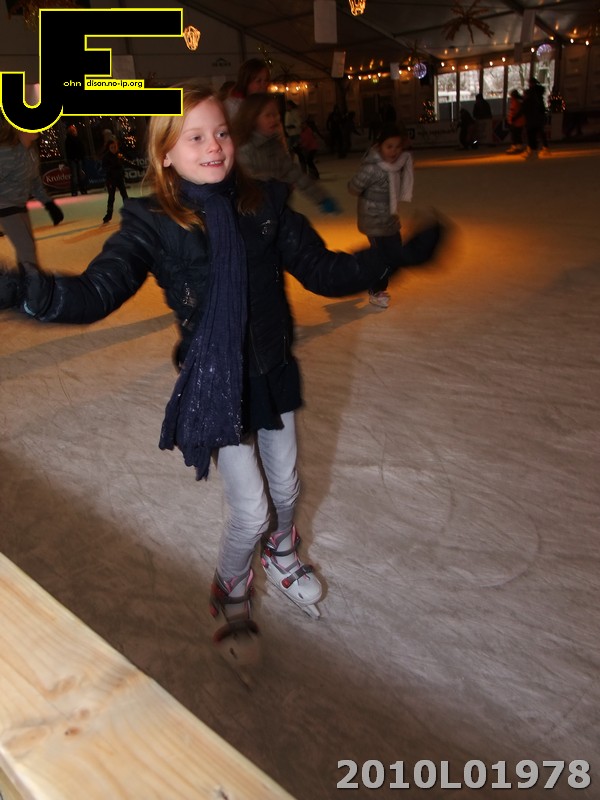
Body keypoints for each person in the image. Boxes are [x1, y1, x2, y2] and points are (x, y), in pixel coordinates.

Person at [0, 82, 443, 675]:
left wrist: (392, 257)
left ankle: (283, 554)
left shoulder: (265, 205)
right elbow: (94, 293)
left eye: (220, 133)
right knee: (251, 511)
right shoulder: (152, 224)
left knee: (287, 489)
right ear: (165, 154)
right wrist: (21, 290)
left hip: (273, 372)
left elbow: (323, 270)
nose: (213, 147)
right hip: (217, 386)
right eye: (195, 137)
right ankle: (231, 590)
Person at [233, 92, 340, 214]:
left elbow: (294, 173)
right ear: (252, 118)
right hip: (255, 213)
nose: (275, 119)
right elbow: (249, 184)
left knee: (301, 226)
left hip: (278, 208)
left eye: (276, 114)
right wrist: (280, 185)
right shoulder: (244, 150)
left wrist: (321, 198)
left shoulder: (274, 145)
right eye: (268, 115)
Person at [348, 123, 414, 308]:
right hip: (373, 220)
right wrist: (366, 189)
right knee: (381, 257)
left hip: (390, 218)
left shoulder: (398, 164)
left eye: (397, 146)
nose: (394, 151)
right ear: (379, 146)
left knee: (395, 254)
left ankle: (364, 270)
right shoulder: (372, 167)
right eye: (389, 146)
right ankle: (376, 290)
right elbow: (353, 187)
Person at [0, 119, 63, 266]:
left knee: (27, 248)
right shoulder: (6, 152)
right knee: (26, 248)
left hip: (20, 205)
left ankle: (25, 277)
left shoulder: (31, 151)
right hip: (5, 206)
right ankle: (31, 279)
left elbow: (35, 182)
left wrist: (49, 204)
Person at [101, 139, 132, 224]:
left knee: (125, 196)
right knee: (111, 197)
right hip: (111, 180)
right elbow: (104, 168)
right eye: (112, 147)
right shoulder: (106, 157)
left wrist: (138, 168)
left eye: (115, 147)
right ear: (109, 148)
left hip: (119, 179)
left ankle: (130, 213)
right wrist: (112, 168)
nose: (114, 149)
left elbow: (127, 163)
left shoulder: (119, 155)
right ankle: (109, 215)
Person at [521, 78, 550, 158]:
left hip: (532, 118)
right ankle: (540, 148)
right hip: (538, 117)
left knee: (532, 134)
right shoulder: (538, 94)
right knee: (539, 133)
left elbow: (525, 108)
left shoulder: (531, 95)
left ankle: (533, 150)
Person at [64, 124, 88, 196]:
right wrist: (76, 157)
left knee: (78, 175)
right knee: (75, 175)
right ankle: (77, 190)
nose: (75, 132)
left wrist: (81, 157)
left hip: (77, 159)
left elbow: (81, 149)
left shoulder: (76, 139)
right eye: (74, 131)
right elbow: (70, 151)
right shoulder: (69, 140)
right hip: (73, 159)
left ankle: (80, 190)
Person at [506, 89, 525, 154]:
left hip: (516, 122)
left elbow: (515, 112)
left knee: (515, 135)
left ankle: (517, 147)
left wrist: (513, 118)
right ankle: (517, 146)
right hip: (517, 121)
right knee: (516, 135)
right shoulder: (518, 101)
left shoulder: (516, 102)